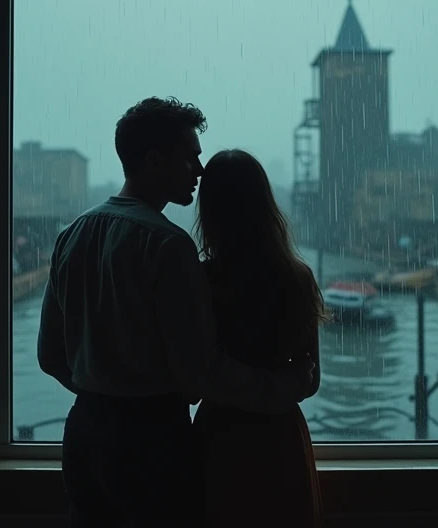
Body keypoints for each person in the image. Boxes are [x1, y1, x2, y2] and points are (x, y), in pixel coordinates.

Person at [36, 97, 315, 528]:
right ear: (153, 161)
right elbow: (198, 375)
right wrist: (283, 385)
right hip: (151, 440)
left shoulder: (70, 237)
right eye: (190, 159)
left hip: (84, 432)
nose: (199, 172)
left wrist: (103, 392)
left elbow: (50, 356)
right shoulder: (168, 246)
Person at [192, 149, 325, 528]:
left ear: (210, 212)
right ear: (266, 205)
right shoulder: (297, 279)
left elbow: (194, 374)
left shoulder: (201, 280)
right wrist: (287, 378)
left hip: (220, 436)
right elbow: (311, 382)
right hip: (280, 436)